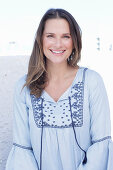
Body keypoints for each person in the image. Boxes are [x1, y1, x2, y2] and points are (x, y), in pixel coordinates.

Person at [6, 8, 113, 170]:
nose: (58, 44)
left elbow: (100, 144)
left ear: (74, 40)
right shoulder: (25, 87)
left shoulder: (92, 81)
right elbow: (23, 150)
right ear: (40, 40)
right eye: (50, 36)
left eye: (65, 36)